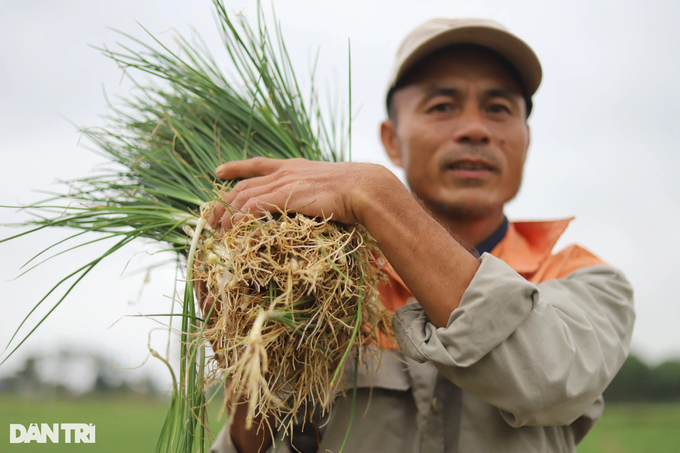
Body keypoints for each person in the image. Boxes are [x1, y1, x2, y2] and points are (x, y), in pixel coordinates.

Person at [204, 18, 636, 453]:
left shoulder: (586, 280)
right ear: (392, 140)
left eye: (499, 108)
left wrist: (379, 194)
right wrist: (251, 387)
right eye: (442, 106)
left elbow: (549, 379)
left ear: (526, 140)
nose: (474, 129)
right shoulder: (330, 280)